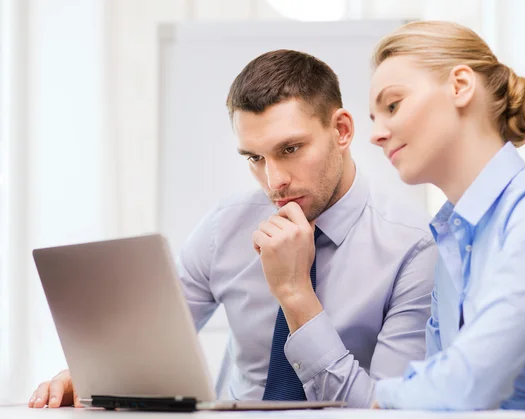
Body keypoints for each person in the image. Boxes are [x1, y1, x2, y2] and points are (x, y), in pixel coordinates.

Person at [29, 49, 436, 409]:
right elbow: (145, 342)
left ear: (342, 130)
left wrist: (295, 295)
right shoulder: (225, 226)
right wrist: (91, 375)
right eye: (254, 158)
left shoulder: (412, 247)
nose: (274, 180)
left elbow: (388, 411)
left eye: (289, 150)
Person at [368, 21, 525, 412]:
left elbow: (460, 387)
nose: (376, 134)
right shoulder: (450, 241)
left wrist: (383, 395)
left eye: (392, 106)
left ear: (460, 86)